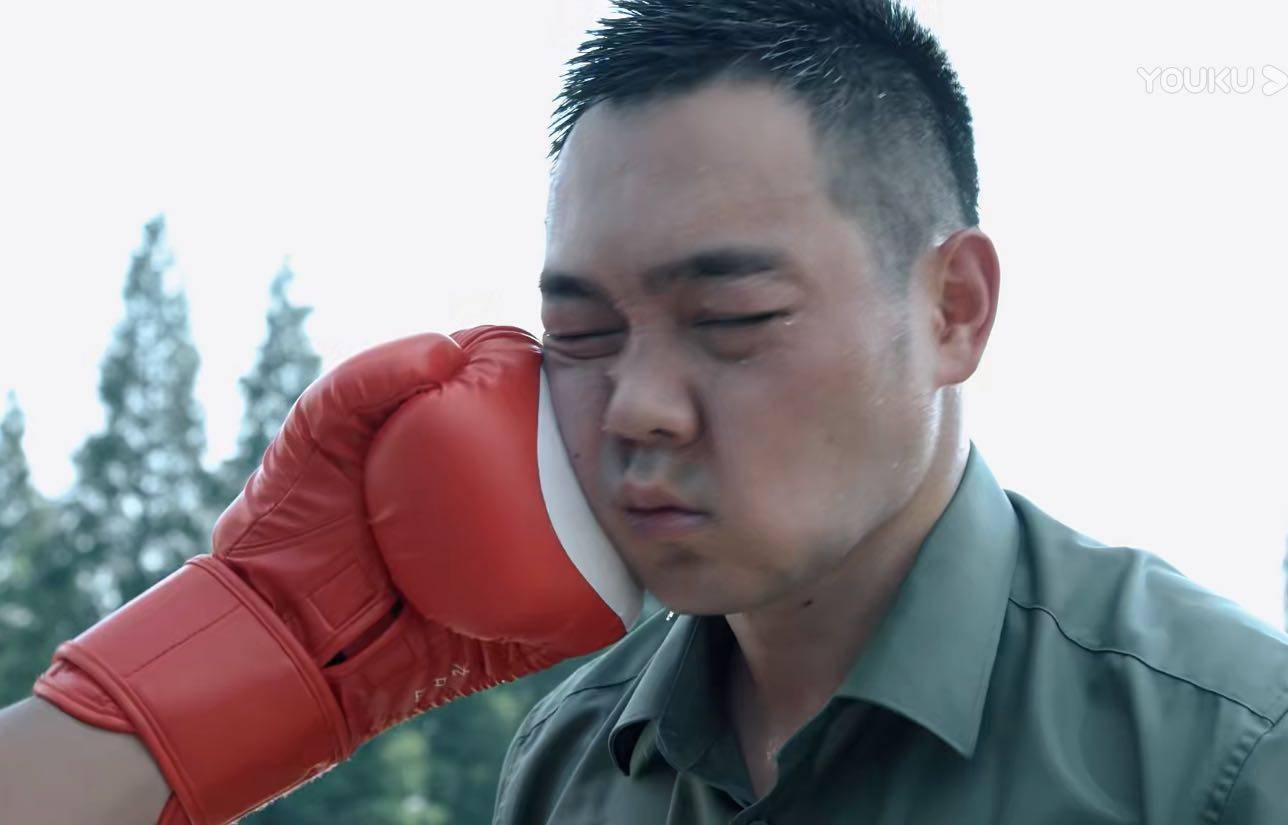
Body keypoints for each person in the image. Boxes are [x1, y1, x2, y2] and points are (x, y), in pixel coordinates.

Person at [490, 0, 1288, 822]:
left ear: (954, 308)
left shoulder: (1227, 757)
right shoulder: (567, 760)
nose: (636, 408)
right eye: (581, 332)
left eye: (731, 317)